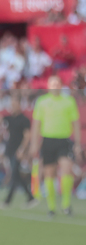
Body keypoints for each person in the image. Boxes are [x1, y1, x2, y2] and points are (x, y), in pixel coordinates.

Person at [30, 76, 82, 216]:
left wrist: (77, 143)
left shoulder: (69, 101)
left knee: (67, 169)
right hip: (48, 140)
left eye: (57, 83)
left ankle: (66, 204)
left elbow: (76, 123)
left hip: (64, 140)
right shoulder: (42, 102)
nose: (55, 86)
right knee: (49, 173)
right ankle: (51, 207)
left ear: (61, 85)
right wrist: (34, 143)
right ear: (48, 86)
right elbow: (36, 124)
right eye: (52, 83)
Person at [0, 97, 38, 209]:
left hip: (17, 151)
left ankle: (7, 201)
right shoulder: (10, 119)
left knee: (14, 174)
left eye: (14, 104)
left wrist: (21, 150)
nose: (12, 107)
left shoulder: (24, 120)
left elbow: (27, 136)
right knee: (16, 175)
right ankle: (30, 198)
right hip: (10, 149)